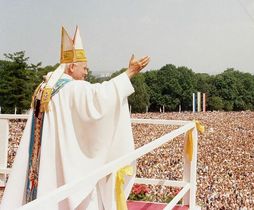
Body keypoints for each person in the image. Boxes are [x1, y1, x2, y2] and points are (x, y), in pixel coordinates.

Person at [1, 26, 150, 210]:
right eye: (84, 68)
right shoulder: (71, 88)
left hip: (40, 161)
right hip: (57, 162)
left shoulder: (44, 86)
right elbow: (100, 96)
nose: (86, 72)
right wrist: (130, 72)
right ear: (72, 67)